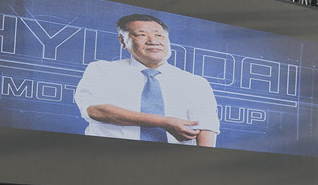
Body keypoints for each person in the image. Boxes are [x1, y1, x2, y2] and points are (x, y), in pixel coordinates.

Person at [72, 12, 219, 145]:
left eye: (159, 35)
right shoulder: (102, 69)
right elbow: (94, 110)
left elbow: (206, 129)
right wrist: (163, 122)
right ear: (123, 41)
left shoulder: (195, 82)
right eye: (141, 34)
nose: (153, 41)